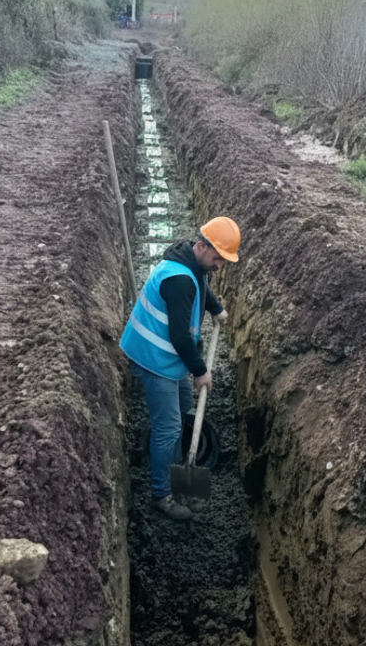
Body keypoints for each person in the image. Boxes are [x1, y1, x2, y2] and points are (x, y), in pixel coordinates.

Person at [119, 216, 241, 520]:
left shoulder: (190, 261)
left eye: (223, 261)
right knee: (168, 426)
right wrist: (201, 370)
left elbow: (202, 282)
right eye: (217, 258)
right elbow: (179, 336)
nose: (219, 265)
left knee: (187, 408)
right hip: (154, 357)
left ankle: (180, 462)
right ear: (202, 246)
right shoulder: (179, 280)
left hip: (169, 356)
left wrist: (215, 307)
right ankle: (162, 494)